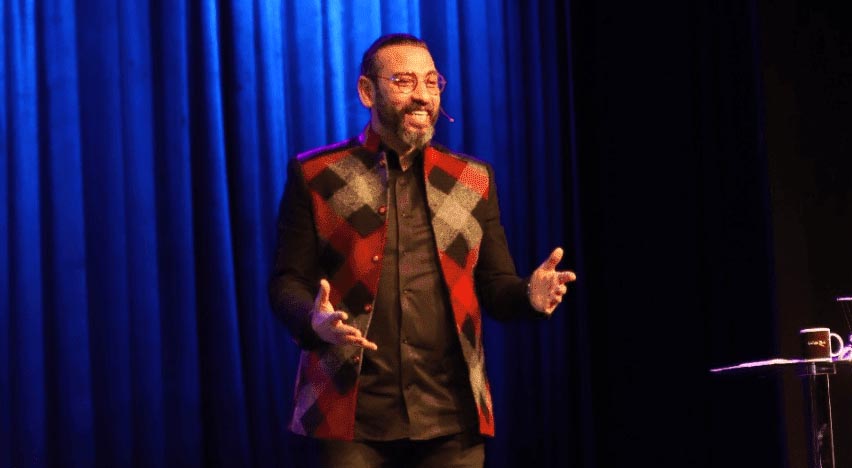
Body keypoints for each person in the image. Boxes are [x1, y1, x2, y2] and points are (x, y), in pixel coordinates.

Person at [269, 33, 576, 468]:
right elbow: (287, 281)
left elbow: (495, 286)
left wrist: (529, 295)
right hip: (350, 413)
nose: (422, 96)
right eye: (404, 81)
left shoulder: (472, 179)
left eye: (432, 82)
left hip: (452, 415)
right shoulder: (317, 175)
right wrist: (312, 321)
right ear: (367, 91)